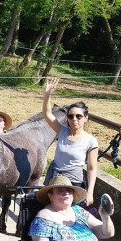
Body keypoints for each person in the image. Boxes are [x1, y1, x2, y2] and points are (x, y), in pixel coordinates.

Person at [41, 78, 98, 207]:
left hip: (74, 184)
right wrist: (47, 94)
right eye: (71, 116)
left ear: (86, 118)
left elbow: (91, 168)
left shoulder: (90, 141)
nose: (74, 119)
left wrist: (90, 192)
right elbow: (47, 114)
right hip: (55, 181)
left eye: (79, 116)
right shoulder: (62, 131)